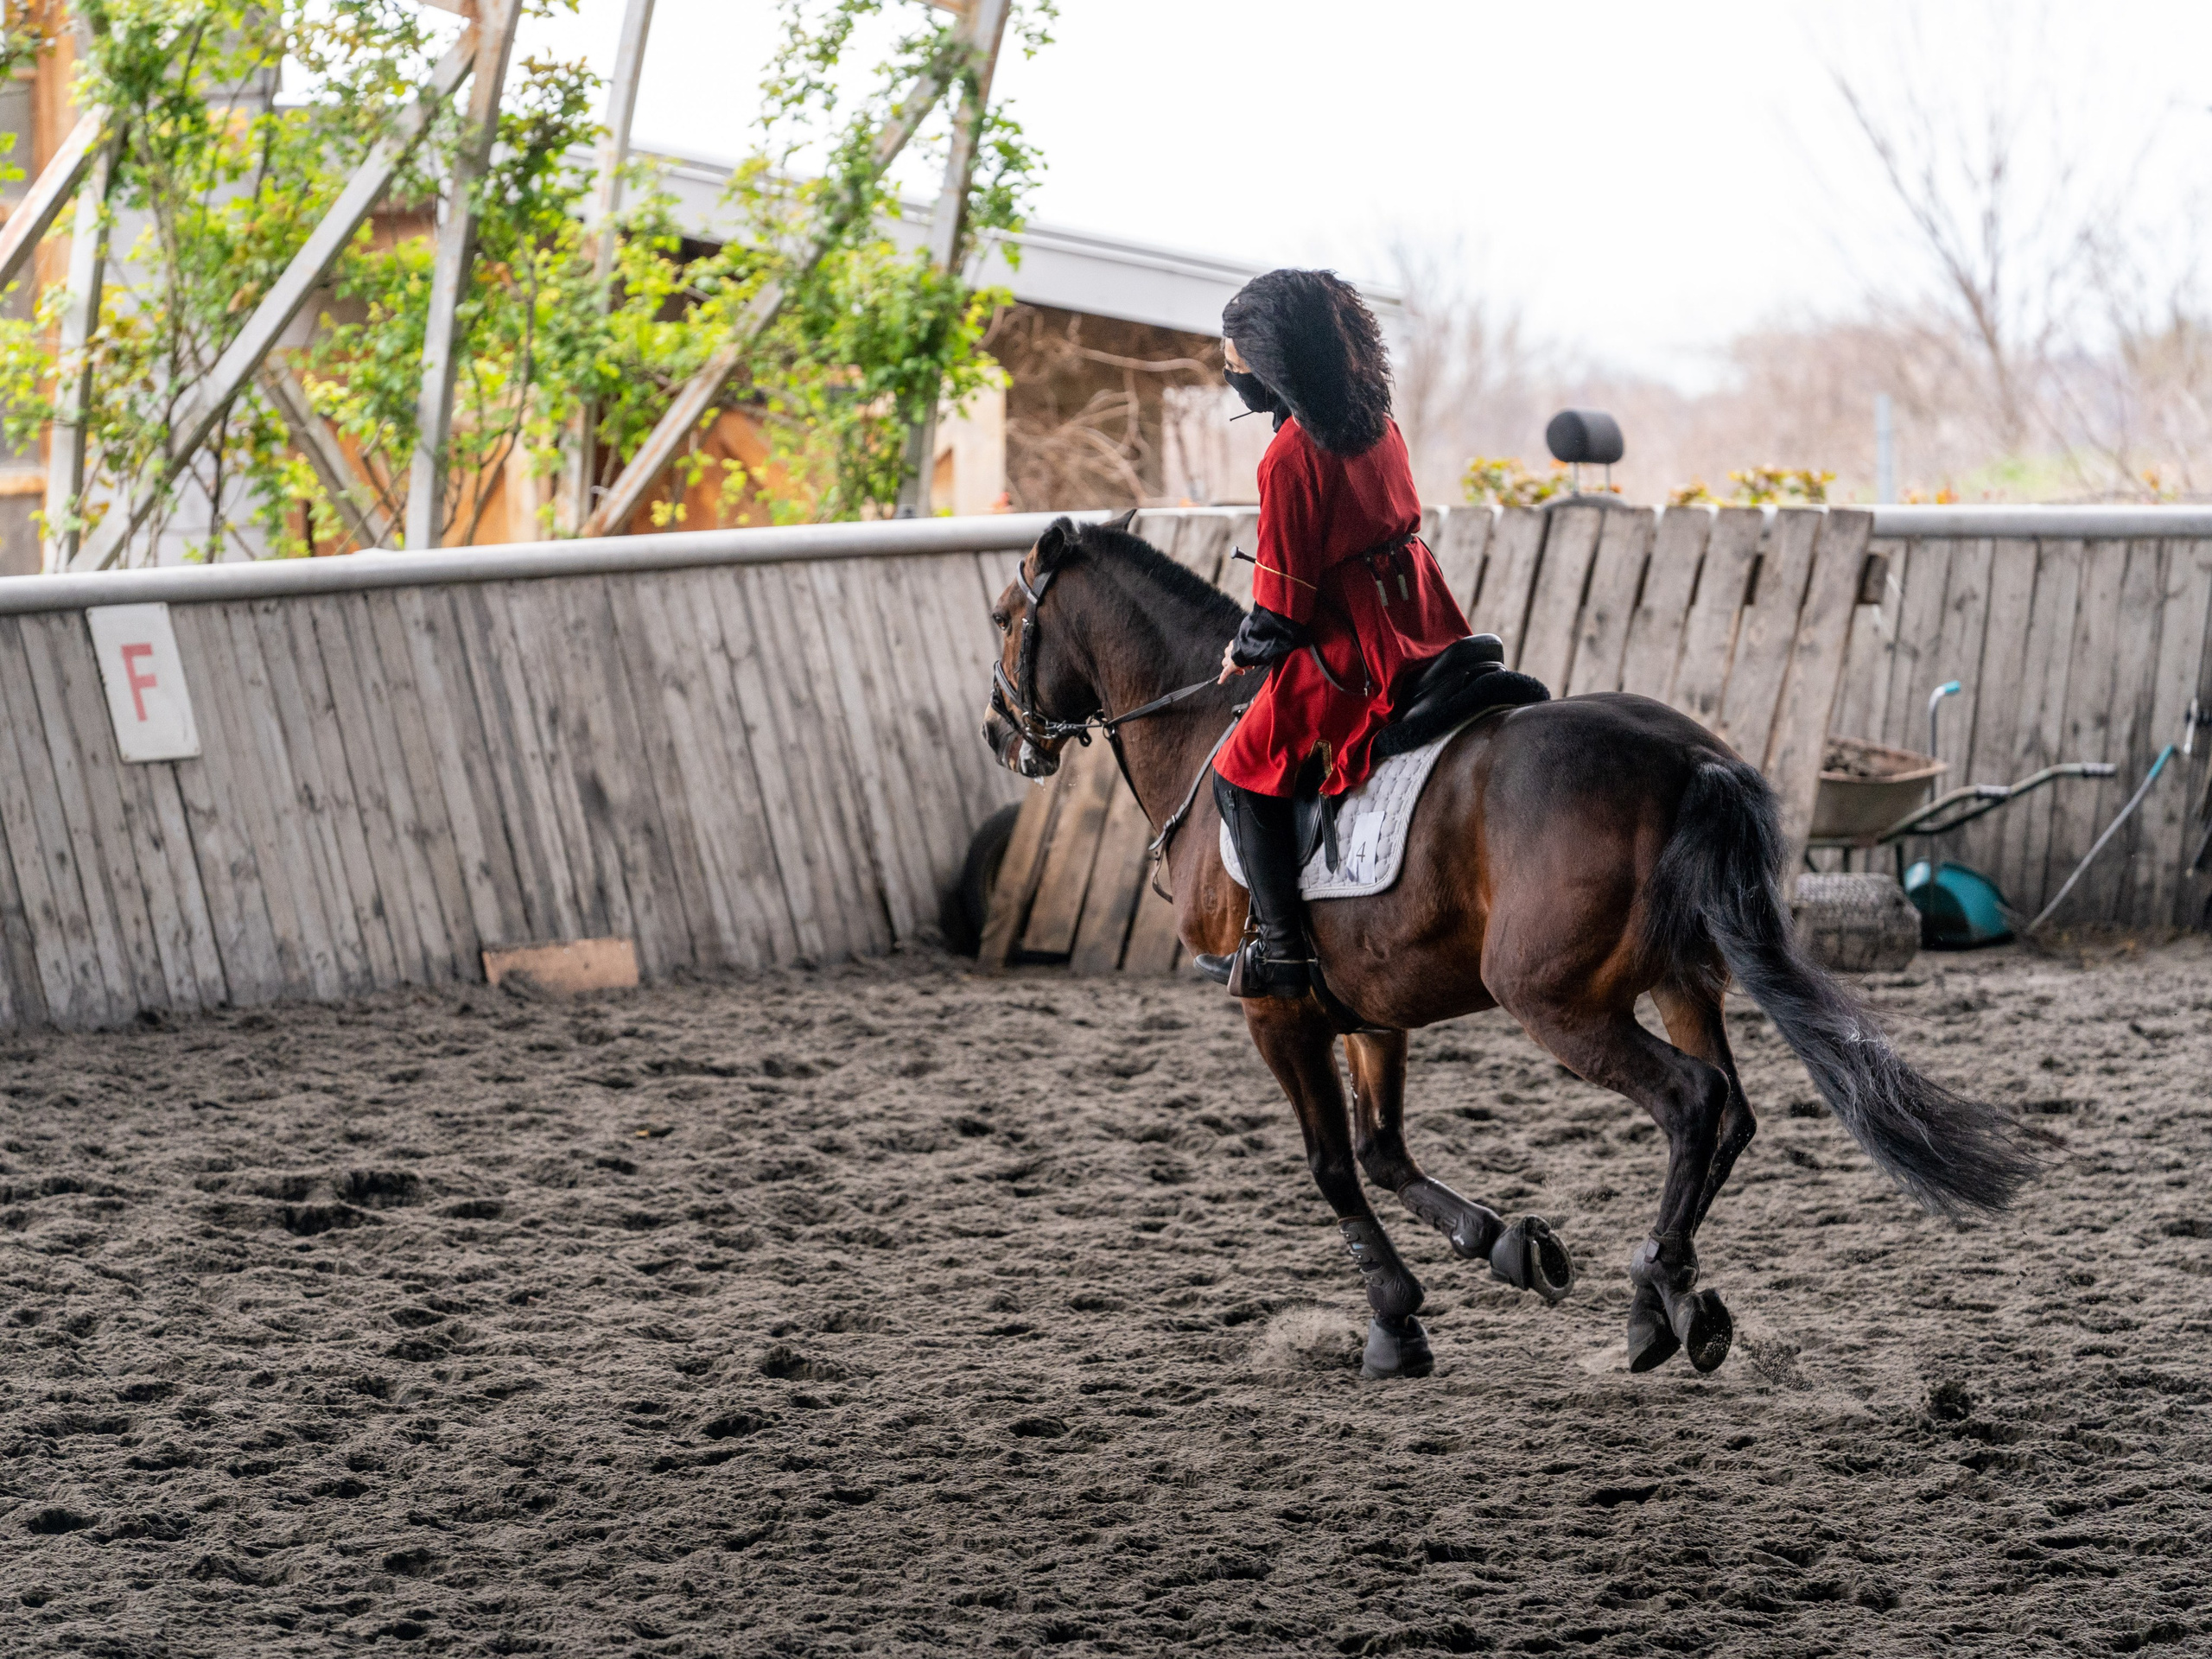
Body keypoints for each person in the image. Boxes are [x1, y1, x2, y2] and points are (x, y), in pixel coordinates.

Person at [1194, 269, 1473, 998]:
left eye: (1236, 355)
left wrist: (1243, 649)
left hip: (1356, 648)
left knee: (1242, 769)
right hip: (1424, 617)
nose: (1231, 370)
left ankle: (1283, 953)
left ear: (1274, 359)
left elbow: (1283, 605)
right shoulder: (1380, 424)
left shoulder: (1289, 457)